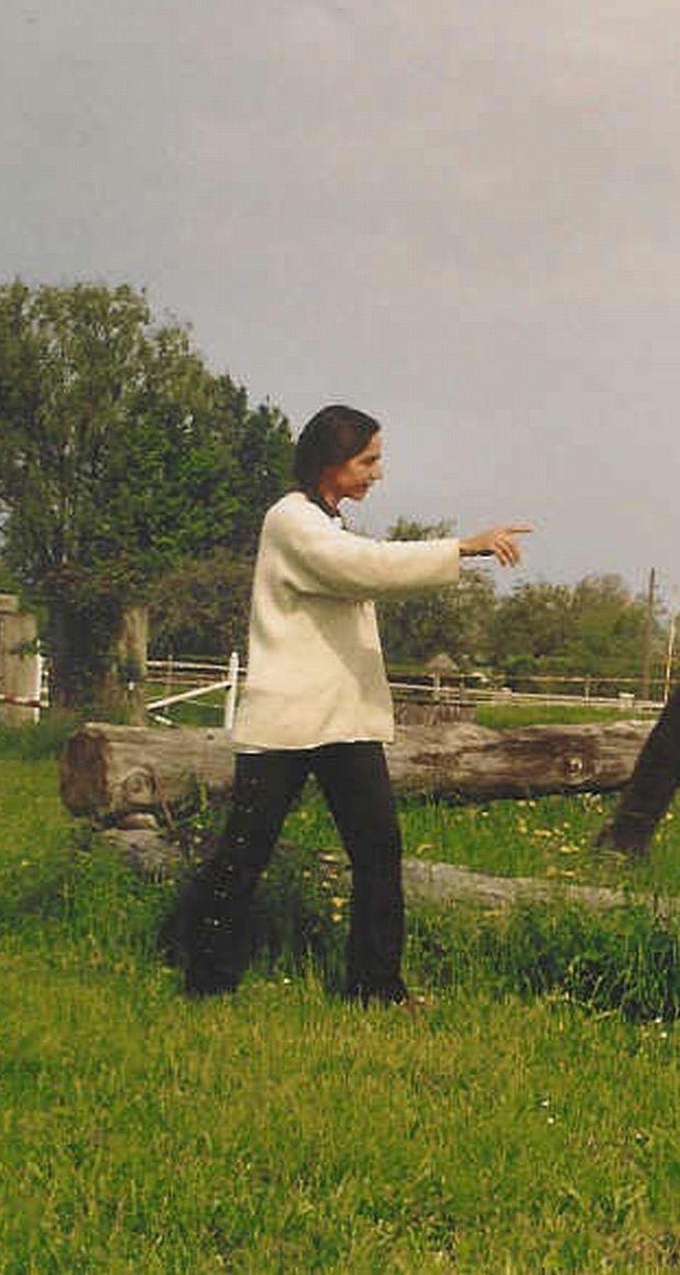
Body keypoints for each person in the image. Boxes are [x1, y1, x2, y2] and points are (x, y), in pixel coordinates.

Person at [174, 404, 530, 1003]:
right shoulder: (291, 521)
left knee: (377, 851)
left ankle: (376, 987)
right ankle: (205, 981)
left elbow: (362, 566)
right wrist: (462, 547)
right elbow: (364, 568)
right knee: (244, 853)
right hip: (287, 724)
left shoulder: (327, 522)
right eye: (368, 460)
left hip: (342, 723)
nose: (378, 473)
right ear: (328, 461)